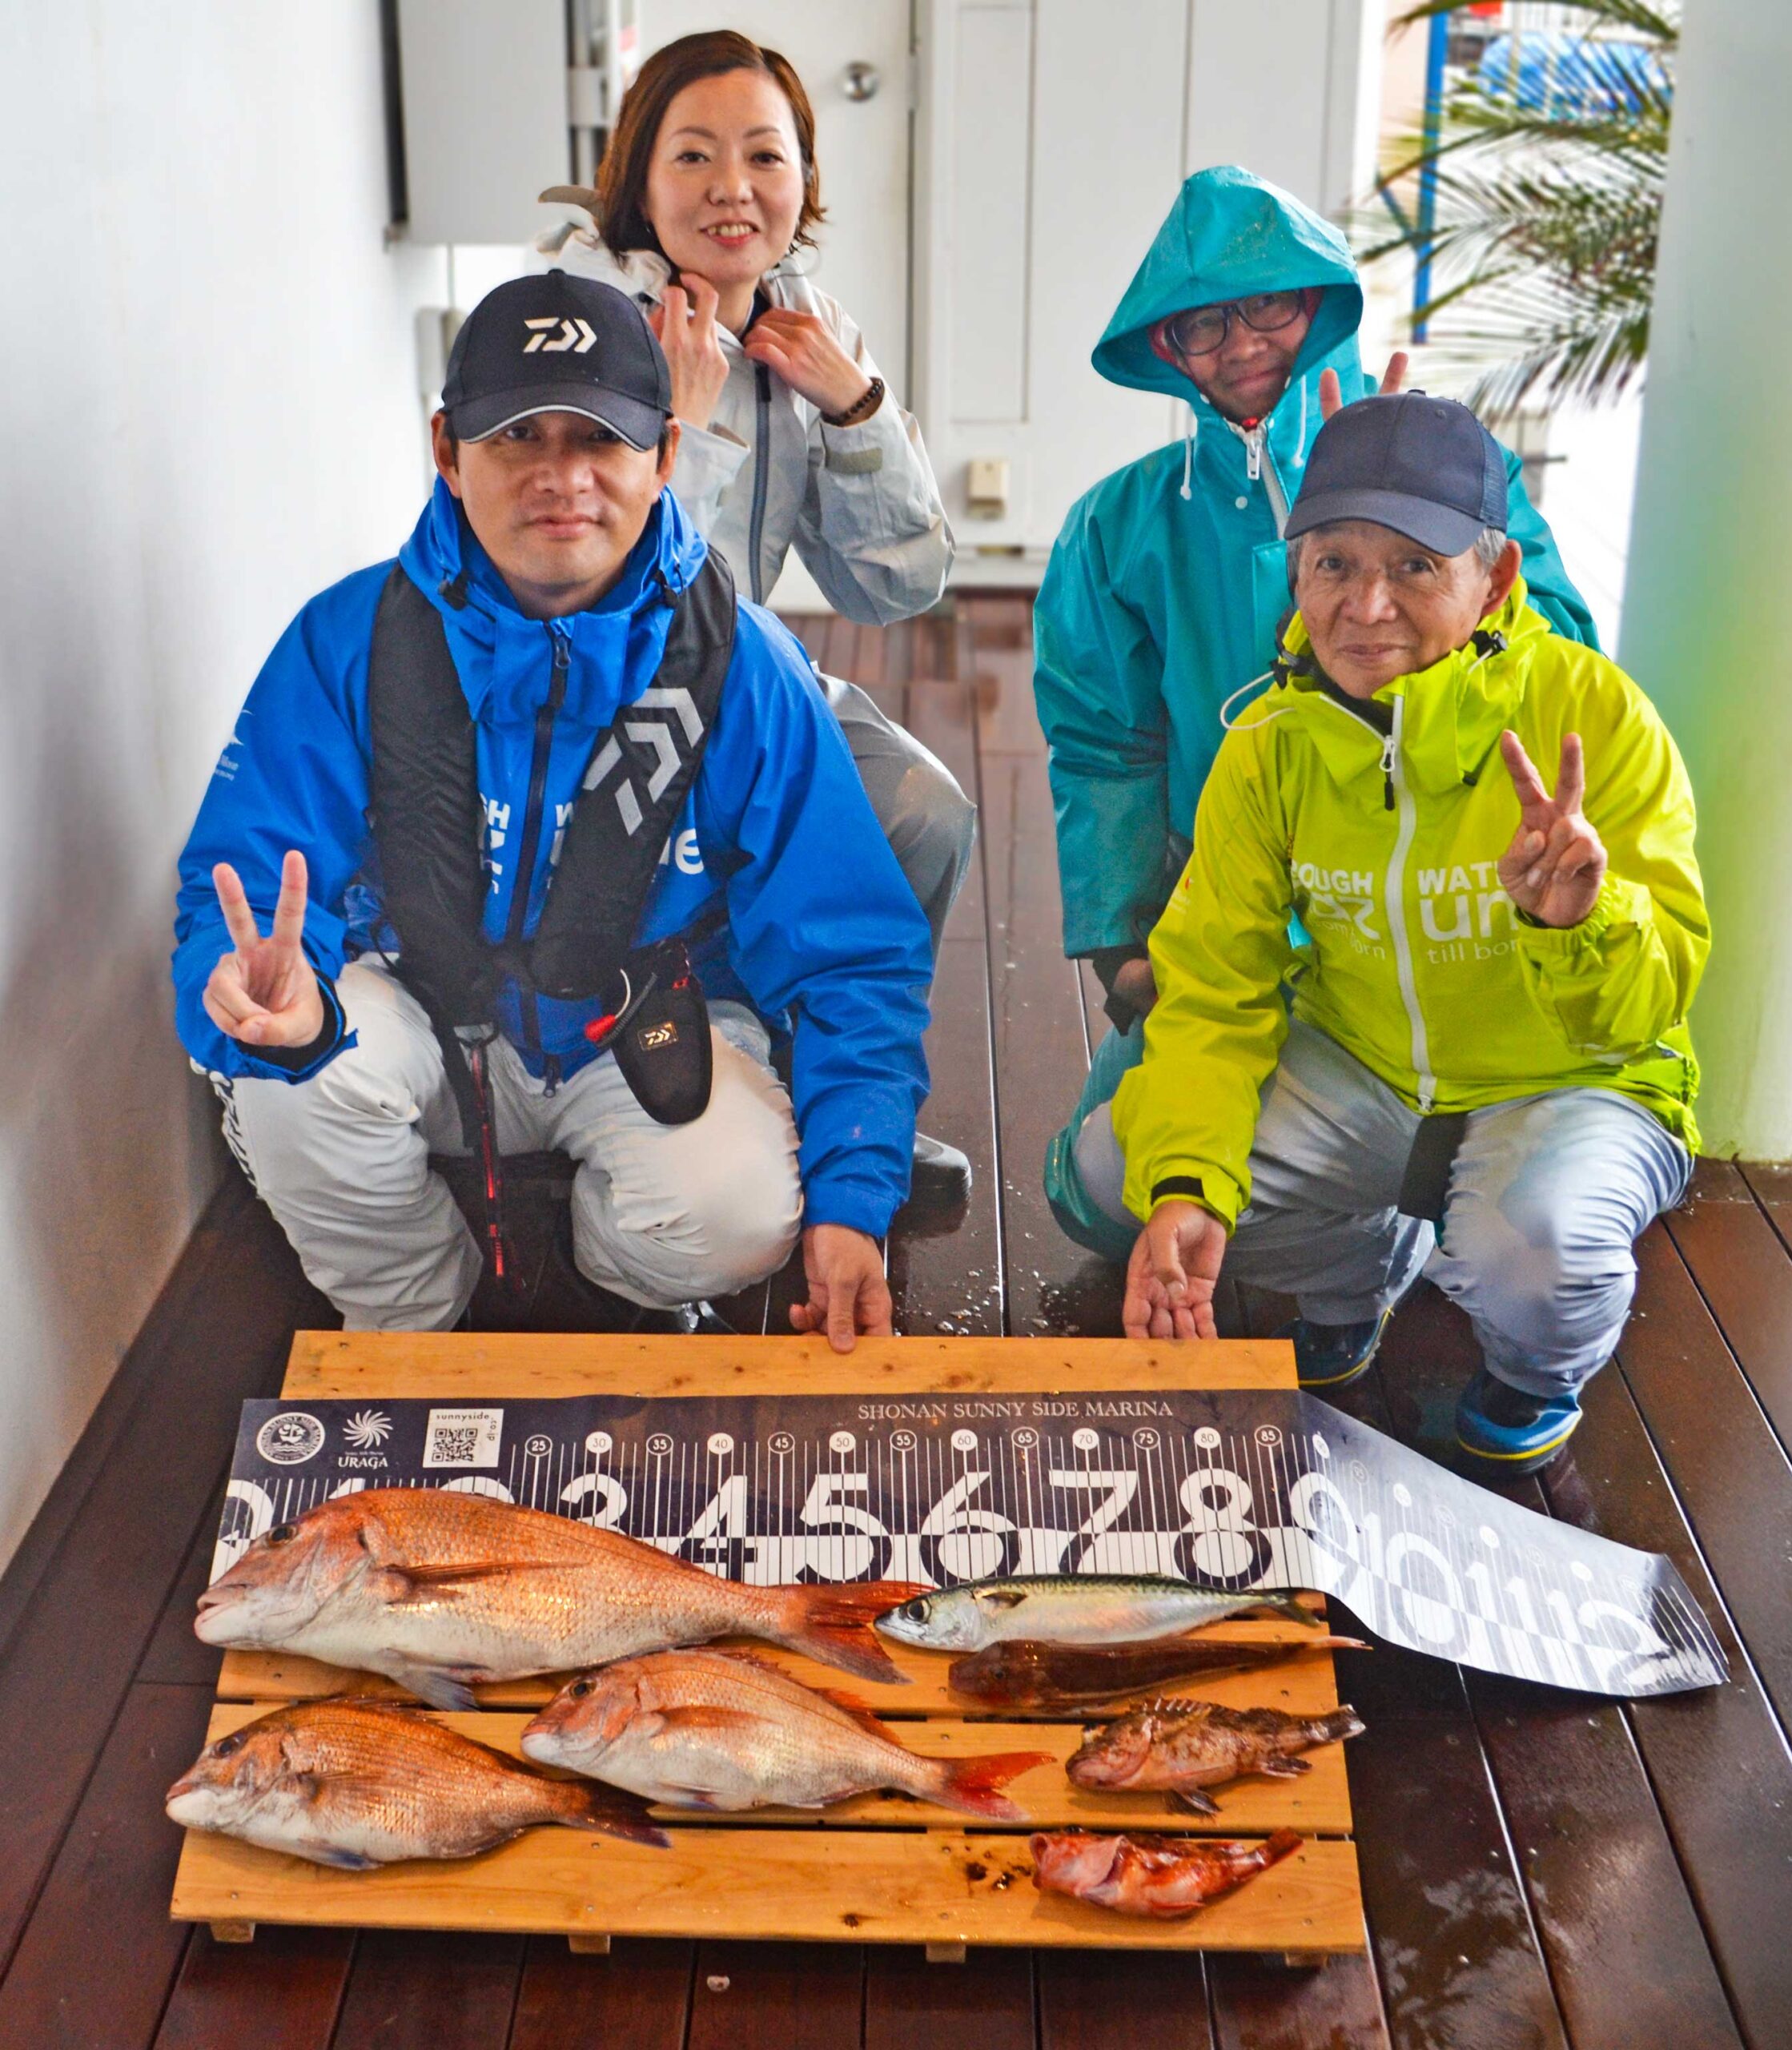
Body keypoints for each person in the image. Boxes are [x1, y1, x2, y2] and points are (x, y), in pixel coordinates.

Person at [171, 269, 933, 1350]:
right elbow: (237, 887)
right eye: (518, 437)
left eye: (601, 440)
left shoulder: (746, 667)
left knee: (738, 1215)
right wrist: (273, 1010)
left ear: (667, 454)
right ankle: (419, 1323)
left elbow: (853, 953)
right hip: (414, 1016)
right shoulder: (347, 639)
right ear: (447, 449)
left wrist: (856, 1199)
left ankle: (592, 1282)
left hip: (640, 1021)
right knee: (285, 1083)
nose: (560, 479)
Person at [1075, 392, 1706, 1475]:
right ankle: (1352, 1281)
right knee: (1118, 1166)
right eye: (1332, 565)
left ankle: (1527, 1371)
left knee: (1537, 1253)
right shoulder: (1271, 739)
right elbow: (1217, 986)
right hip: (1368, 1062)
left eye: (1415, 566)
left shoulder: (1590, 716)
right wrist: (1187, 1186)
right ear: (1297, 572)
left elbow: (1653, 1011)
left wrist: (1582, 920)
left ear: (1495, 577)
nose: (1367, 606)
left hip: (1569, 1078)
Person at [1034, 167, 1597, 1259]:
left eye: (1272, 305)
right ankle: (1359, 1238)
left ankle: (1428, 1198)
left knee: (1472, 1161)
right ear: (1164, 347)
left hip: (1430, 895)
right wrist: (1127, 947)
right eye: (1200, 321)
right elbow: (1103, 743)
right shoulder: (1116, 527)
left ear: (1325, 306)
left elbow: (1562, 647)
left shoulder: (1452, 471)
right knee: (1101, 1192)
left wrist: (1419, 527)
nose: (1241, 342)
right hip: (1233, 900)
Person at [542, 29, 972, 1204]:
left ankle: (841, 1098)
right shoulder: (576, 326)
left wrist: (859, 407)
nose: (734, 188)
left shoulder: (804, 323)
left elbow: (900, 586)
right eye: (694, 156)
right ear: (639, 178)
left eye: (764, 157)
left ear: (803, 182)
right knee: (719, 854)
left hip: (749, 684)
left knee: (924, 810)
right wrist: (699, 425)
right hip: (586, 710)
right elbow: (605, 605)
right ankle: (709, 1101)